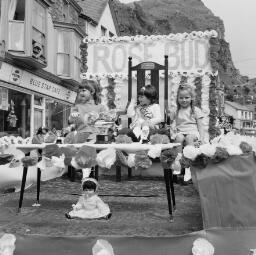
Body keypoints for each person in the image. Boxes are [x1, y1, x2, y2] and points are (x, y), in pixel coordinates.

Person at [169, 84, 207, 182]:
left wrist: (202, 139)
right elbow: (171, 124)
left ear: (192, 98)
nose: (184, 100)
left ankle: (188, 168)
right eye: (181, 98)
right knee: (179, 139)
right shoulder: (176, 111)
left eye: (187, 97)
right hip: (181, 132)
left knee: (189, 138)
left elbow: (200, 126)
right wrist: (173, 132)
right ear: (177, 98)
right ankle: (177, 165)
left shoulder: (195, 110)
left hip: (193, 132)